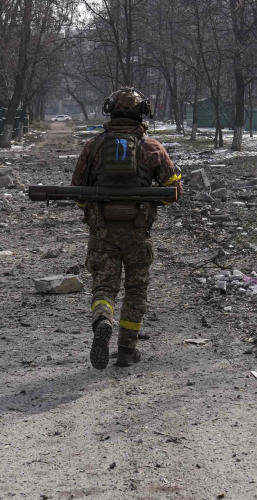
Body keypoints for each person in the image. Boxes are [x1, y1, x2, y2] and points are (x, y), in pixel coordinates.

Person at [70, 87, 181, 369]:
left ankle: (103, 319)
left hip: (103, 232)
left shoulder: (93, 146)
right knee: (135, 291)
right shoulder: (152, 147)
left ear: (110, 111)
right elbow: (175, 190)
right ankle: (127, 351)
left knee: (104, 287)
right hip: (137, 231)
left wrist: (94, 212)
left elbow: (78, 191)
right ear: (141, 114)